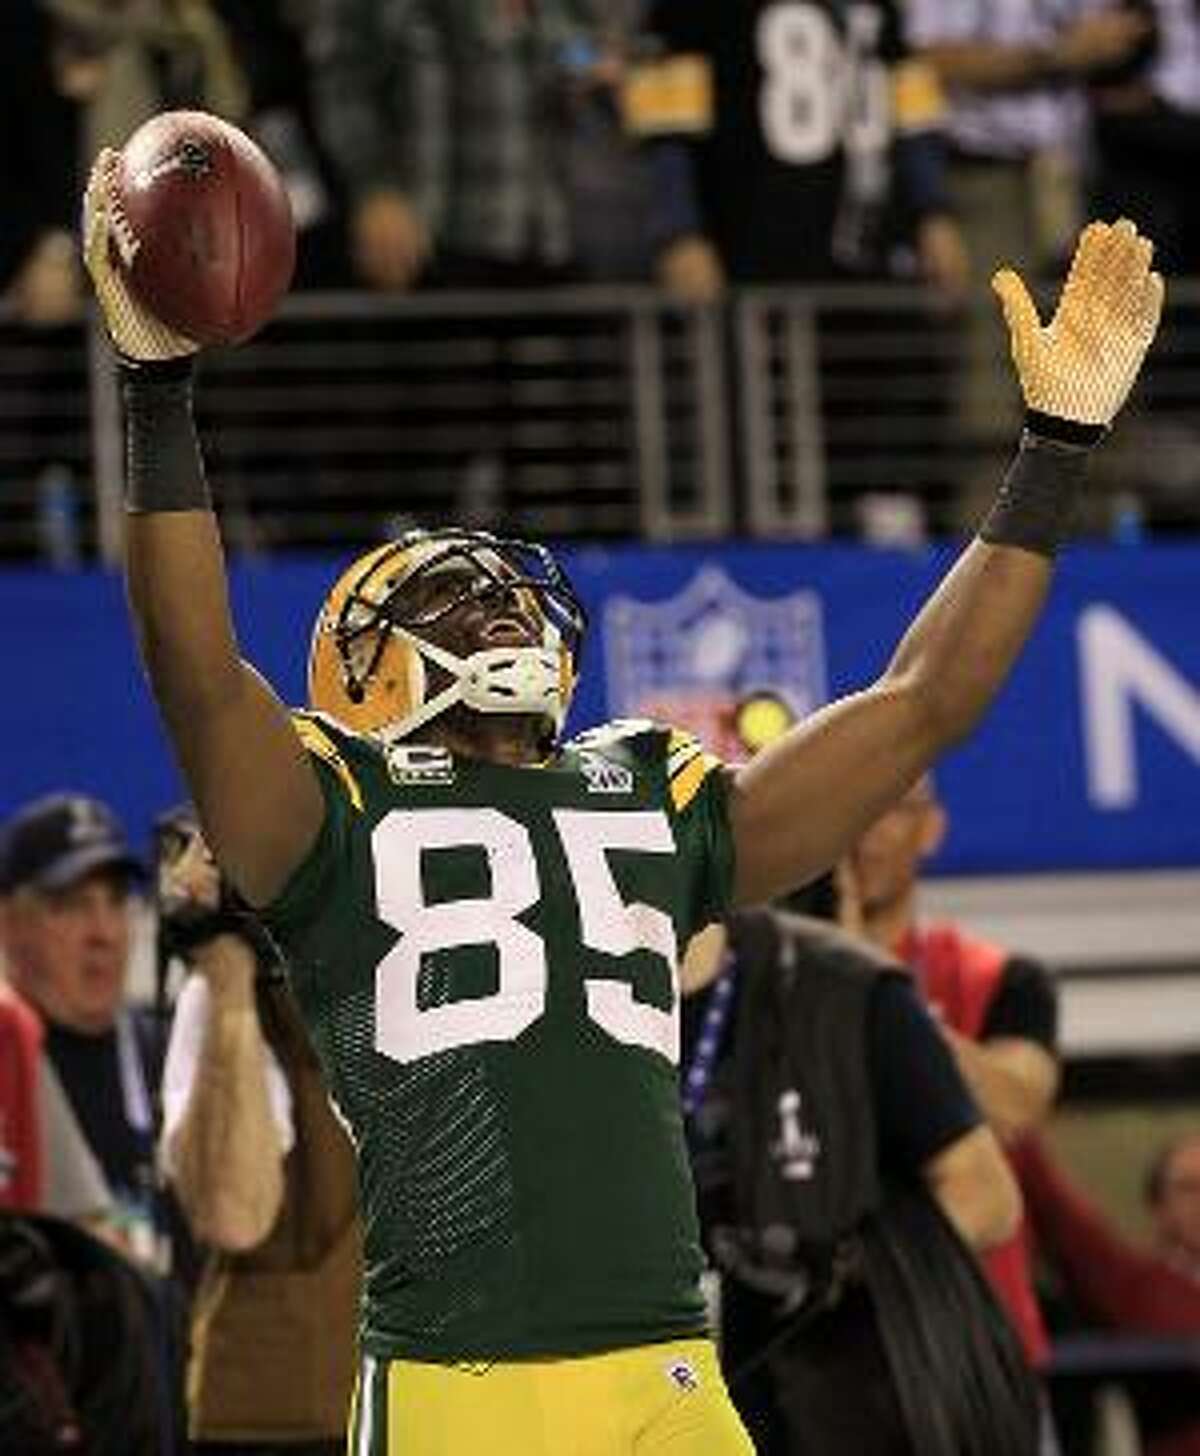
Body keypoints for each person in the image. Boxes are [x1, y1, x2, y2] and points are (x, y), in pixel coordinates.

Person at [81, 114, 1162, 1456]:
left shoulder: (647, 791)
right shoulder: (328, 815)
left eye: (495, 591)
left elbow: (920, 705)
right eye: (450, 599)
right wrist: (155, 385)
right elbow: (192, 670)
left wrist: (1054, 453)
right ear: (365, 680)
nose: (498, 610)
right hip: (457, 1385)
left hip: (667, 1373)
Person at [679, 878, 1033, 1454]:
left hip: (822, 1409)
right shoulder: (536, 1010)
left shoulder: (843, 990)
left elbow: (986, 1194)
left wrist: (845, 1287)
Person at [156, 804, 360, 1456]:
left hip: (436, 1397)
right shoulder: (227, 989)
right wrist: (229, 979)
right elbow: (233, 1214)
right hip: (280, 1420)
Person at [848, 776, 1061, 1364]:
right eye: (848, 809)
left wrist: (873, 995)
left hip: (983, 1341)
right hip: (842, 1349)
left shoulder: (1000, 978)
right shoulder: (778, 976)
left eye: (888, 809)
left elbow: (1017, 1106)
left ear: (930, 829)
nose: (864, 834)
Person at [0, 791, 168, 1262]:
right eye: (72, 905)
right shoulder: (6, 1066)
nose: (104, 933)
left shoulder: (172, 1056)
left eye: (116, 902)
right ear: (10, 922)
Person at [1016, 1132, 1200, 1456]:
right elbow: (1063, 1218)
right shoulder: (1139, 1287)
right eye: (1189, 1187)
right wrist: (1016, 1128)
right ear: (1159, 1209)